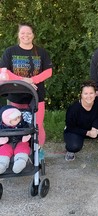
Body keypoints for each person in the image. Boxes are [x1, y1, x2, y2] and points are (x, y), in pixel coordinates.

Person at [0, 23, 53, 156]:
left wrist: (32, 80)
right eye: (23, 33)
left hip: (36, 96)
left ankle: (38, 152)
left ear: (33, 35)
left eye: (29, 33)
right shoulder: (10, 51)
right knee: (15, 126)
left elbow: (48, 71)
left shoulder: (41, 52)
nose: (26, 36)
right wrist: (23, 80)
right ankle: (18, 151)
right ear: (18, 35)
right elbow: (4, 71)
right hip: (16, 97)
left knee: (37, 125)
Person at [64, 80, 98, 166]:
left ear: (95, 94)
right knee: (74, 145)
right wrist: (87, 133)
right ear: (81, 95)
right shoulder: (73, 108)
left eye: (91, 93)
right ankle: (70, 150)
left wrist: (95, 127)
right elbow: (70, 127)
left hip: (94, 129)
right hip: (77, 131)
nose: (89, 96)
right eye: (86, 93)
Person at [0, 106, 31, 174]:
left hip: (20, 141)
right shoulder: (2, 127)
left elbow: (28, 129)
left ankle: (20, 162)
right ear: (7, 120)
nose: (18, 119)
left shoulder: (23, 123)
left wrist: (26, 135)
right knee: (3, 150)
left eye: (18, 117)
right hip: (7, 143)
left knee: (23, 147)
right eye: (15, 118)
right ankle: (2, 164)